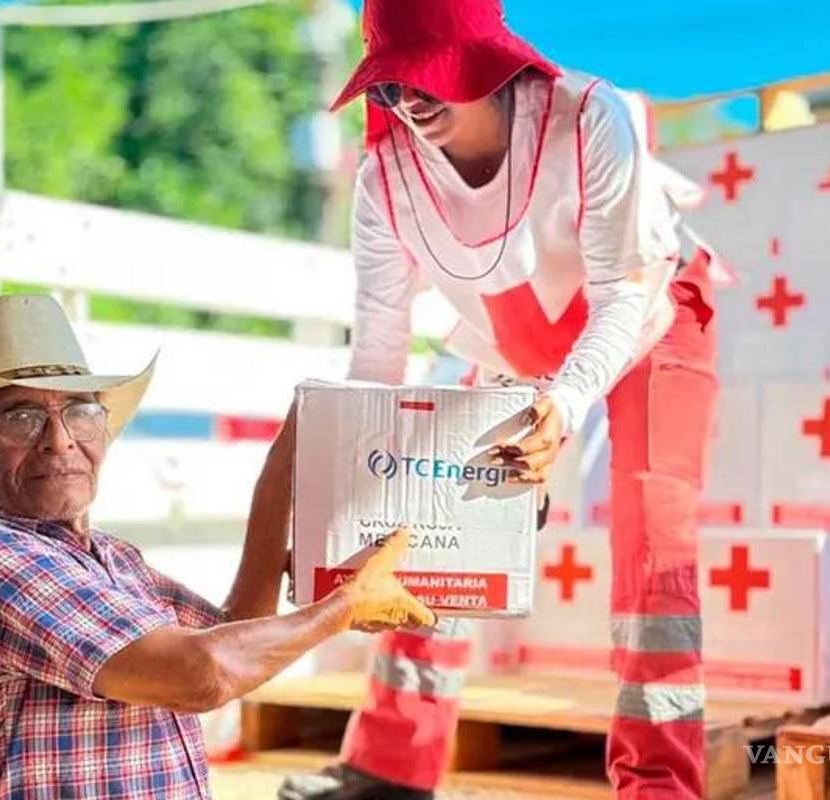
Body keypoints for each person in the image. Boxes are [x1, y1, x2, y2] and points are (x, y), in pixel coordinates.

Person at [279, 2, 719, 799]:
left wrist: (567, 400)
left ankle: (659, 785)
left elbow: (622, 288)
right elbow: (378, 354)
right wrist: (340, 509)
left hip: (651, 314)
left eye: (432, 75)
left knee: (654, 538)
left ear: (491, 63)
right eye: (389, 84)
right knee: (430, 513)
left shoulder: (592, 115)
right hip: (517, 337)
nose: (410, 101)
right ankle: (389, 768)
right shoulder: (385, 178)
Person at [0, 293, 434, 799]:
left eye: (81, 412)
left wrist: (292, 447)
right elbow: (204, 673)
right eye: (22, 418)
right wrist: (341, 610)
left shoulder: (107, 557)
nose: (60, 441)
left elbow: (234, 629)